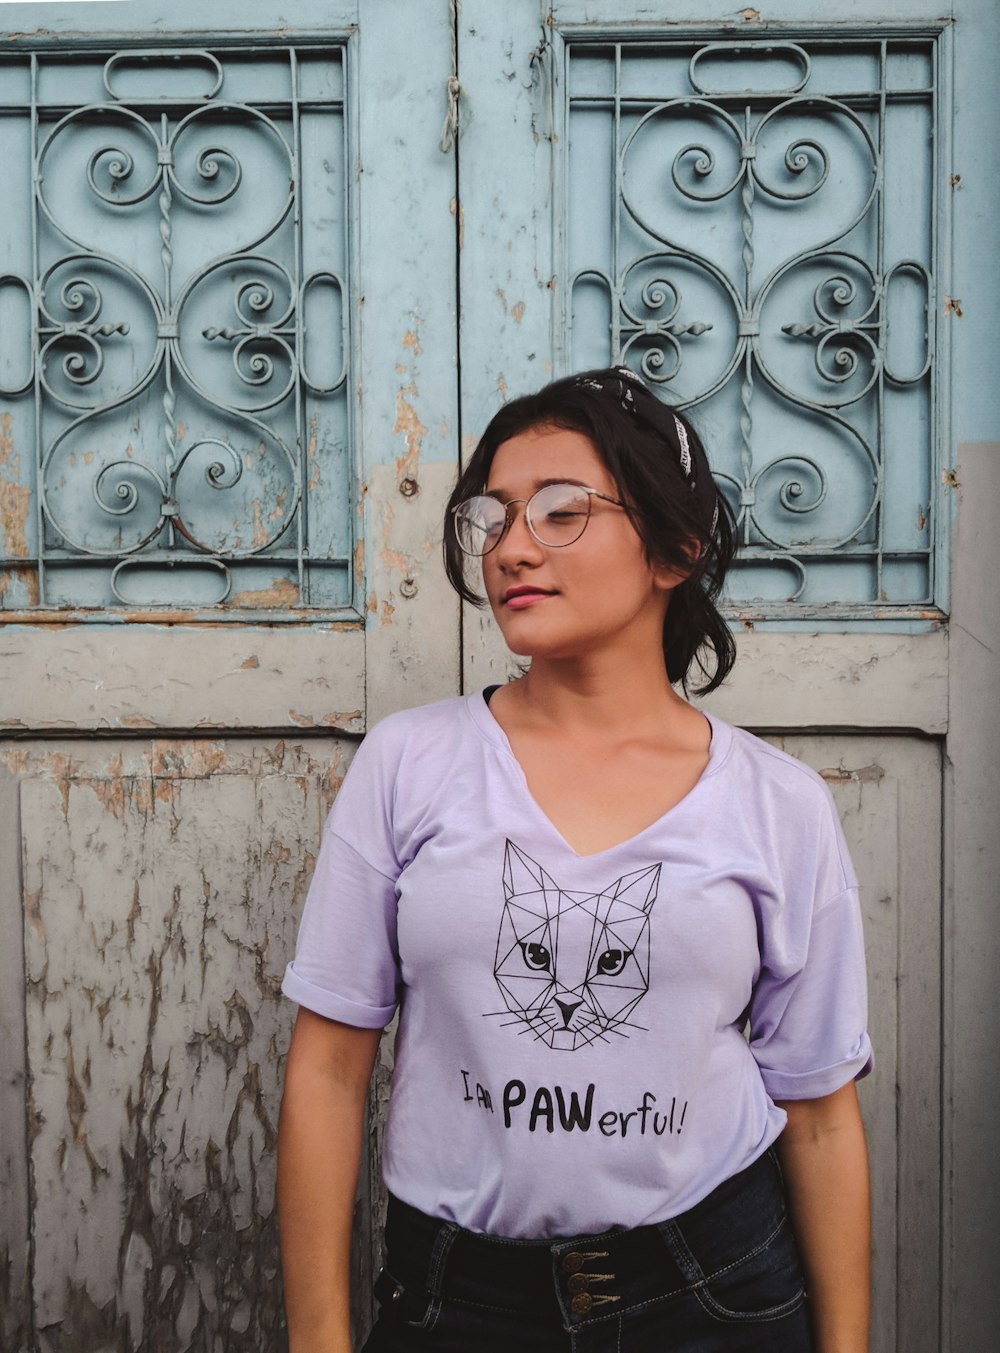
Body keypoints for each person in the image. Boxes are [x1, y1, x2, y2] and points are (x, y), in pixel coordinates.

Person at [277, 367, 873, 1353]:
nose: (512, 547)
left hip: (712, 1289)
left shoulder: (779, 806)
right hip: (456, 1298)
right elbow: (331, 1071)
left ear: (675, 550)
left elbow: (817, 1113)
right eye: (495, 516)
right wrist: (318, 1341)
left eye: (561, 512)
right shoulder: (411, 765)